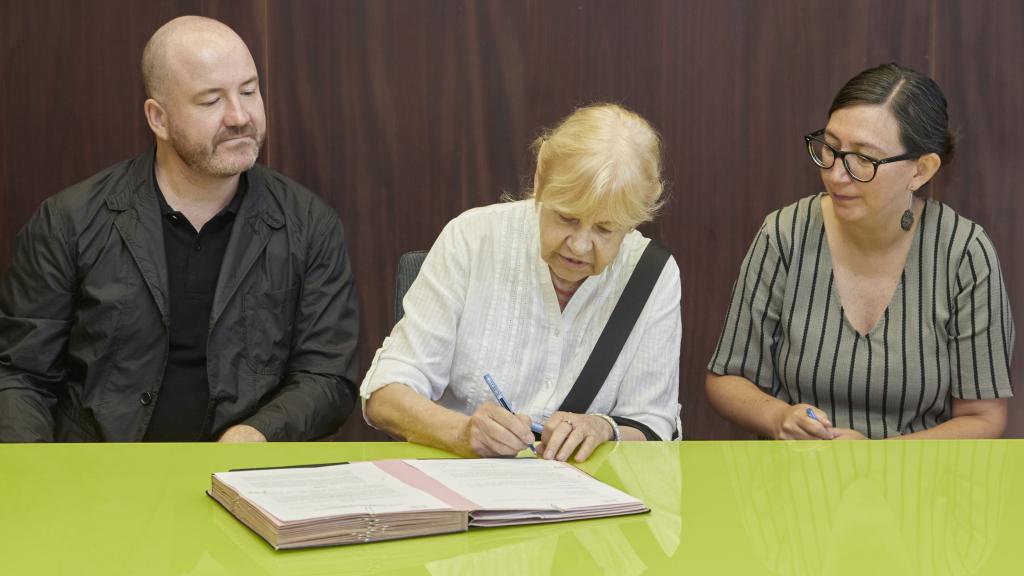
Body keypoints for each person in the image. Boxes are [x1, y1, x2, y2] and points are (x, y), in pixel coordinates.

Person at [0, 16, 359, 442]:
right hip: (100, 481)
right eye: (211, 101)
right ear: (159, 118)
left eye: (249, 90)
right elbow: (20, 375)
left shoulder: (310, 226)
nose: (240, 116)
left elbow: (327, 376)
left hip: (243, 479)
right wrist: (42, 483)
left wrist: (259, 433)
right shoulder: (68, 222)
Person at [706, 63, 1014, 440]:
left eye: (864, 160)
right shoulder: (784, 234)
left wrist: (878, 458)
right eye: (831, 148)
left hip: (918, 486)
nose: (836, 174)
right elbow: (727, 379)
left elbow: (983, 417)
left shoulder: (964, 253)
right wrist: (778, 417)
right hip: (795, 480)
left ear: (920, 170)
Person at [361, 103, 682, 462]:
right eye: (566, 218)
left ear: (634, 220)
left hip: (585, 498)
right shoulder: (472, 238)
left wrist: (603, 427)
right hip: (463, 487)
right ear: (541, 181)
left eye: (605, 229)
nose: (578, 245)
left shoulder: (654, 273)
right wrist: (460, 433)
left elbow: (654, 424)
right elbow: (383, 396)